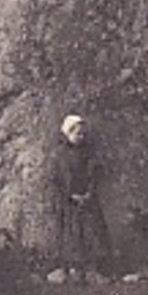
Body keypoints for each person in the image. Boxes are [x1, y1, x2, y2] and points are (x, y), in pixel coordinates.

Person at [52, 113, 112, 278]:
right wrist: (71, 195)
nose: (81, 137)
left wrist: (89, 193)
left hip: (88, 199)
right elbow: (60, 179)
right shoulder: (61, 155)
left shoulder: (89, 153)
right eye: (77, 133)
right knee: (73, 232)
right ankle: (74, 268)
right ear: (68, 134)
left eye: (83, 134)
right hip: (69, 202)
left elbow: (95, 174)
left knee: (93, 230)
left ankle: (95, 268)